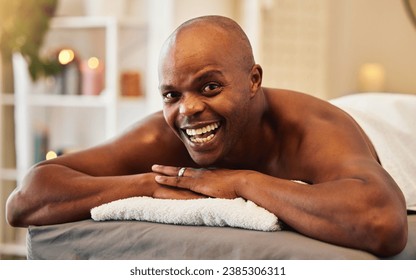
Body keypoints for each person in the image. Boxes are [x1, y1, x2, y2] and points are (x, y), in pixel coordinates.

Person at [6, 15, 409, 257]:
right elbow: (26, 199)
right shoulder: (165, 135)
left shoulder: (313, 129)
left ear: (253, 80)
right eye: (171, 94)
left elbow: (381, 221)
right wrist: (149, 186)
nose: (188, 109)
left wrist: (243, 182)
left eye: (210, 87)